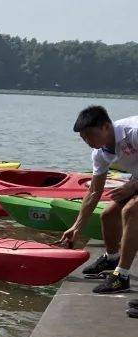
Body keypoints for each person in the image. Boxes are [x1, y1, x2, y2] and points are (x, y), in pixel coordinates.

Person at [60, 106, 138, 296]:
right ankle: (112, 258)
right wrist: (77, 227)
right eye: (83, 138)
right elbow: (94, 192)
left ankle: (122, 277)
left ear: (105, 127)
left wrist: (133, 186)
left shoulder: (134, 132)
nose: (87, 142)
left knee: (131, 211)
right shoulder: (100, 154)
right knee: (108, 215)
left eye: (89, 136)